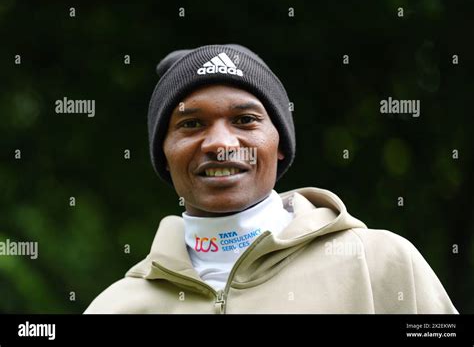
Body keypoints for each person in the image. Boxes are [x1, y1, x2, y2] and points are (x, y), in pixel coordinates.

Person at [84, 44, 457, 314]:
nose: (219, 144)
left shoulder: (382, 264)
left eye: (245, 120)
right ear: (163, 156)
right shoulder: (114, 307)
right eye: (191, 124)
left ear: (280, 145)